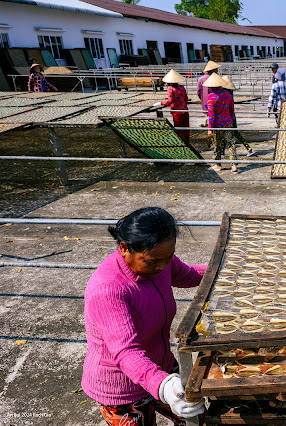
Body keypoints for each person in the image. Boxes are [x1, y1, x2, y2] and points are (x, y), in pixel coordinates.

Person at [82, 207, 206, 426]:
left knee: (197, 419)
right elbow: (126, 352)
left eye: (168, 258)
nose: (162, 266)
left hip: (162, 367)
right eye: (151, 261)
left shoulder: (160, 259)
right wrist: (163, 386)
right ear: (124, 248)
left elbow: (187, 275)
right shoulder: (108, 289)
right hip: (122, 390)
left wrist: (226, 268)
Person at [204, 72, 242, 172]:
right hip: (228, 123)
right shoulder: (228, 95)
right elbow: (231, 110)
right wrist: (231, 120)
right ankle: (234, 165)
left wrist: (210, 129)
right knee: (231, 143)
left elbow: (211, 115)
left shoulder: (211, 97)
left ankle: (218, 164)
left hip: (217, 125)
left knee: (217, 144)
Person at [221, 75, 255, 157]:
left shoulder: (224, 95)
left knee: (223, 135)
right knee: (236, 133)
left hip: (226, 117)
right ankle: (248, 147)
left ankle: (221, 153)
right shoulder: (230, 93)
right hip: (233, 117)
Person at [160, 69, 190, 143]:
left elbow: (170, 101)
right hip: (185, 110)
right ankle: (187, 142)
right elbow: (186, 98)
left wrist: (162, 103)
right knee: (186, 128)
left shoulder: (170, 89)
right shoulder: (182, 87)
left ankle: (182, 144)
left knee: (179, 129)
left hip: (177, 112)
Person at [197, 61, 221, 127]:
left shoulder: (201, 79)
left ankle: (208, 123)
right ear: (213, 70)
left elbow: (198, 91)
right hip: (216, 99)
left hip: (205, 99)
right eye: (216, 69)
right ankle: (211, 125)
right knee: (215, 112)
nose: (217, 70)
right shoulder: (216, 78)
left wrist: (202, 98)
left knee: (208, 112)